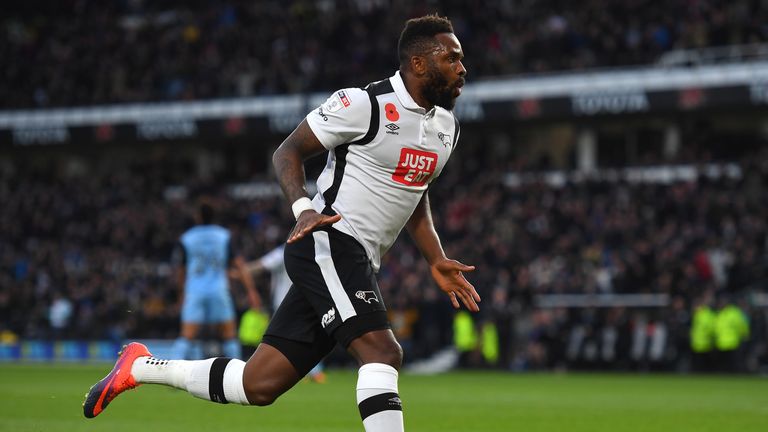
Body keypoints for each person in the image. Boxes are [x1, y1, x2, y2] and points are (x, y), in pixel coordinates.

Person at [83, 15, 480, 432]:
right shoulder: (366, 104)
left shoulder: (446, 128)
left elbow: (414, 191)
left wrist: (435, 258)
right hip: (328, 239)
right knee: (382, 353)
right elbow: (287, 152)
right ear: (418, 64)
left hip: (359, 258)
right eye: (452, 59)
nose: (462, 69)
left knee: (258, 384)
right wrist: (303, 207)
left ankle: (141, 367)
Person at [169, 201, 260, 360]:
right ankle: (237, 373)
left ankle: (170, 371)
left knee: (187, 335)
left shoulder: (187, 238)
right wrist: (251, 290)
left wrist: (181, 294)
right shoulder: (224, 236)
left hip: (194, 291)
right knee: (229, 335)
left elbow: (181, 271)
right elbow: (240, 265)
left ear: (198, 217)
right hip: (219, 290)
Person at [242, 244, 326, 383]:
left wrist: (241, 270)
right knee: (310, 335)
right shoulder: (315, 248)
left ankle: (296, 371)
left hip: (286, 303)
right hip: (310, 301)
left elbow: (261, 265)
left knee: (282, 339)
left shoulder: (285, 250)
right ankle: (313, 372)